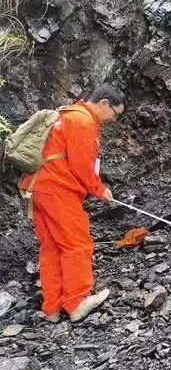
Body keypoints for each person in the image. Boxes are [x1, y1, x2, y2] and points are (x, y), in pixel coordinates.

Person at [19, 85, 126, 323]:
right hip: (57, 188)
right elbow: (82, 166)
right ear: (104, 103)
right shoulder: (83, 122)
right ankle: (77, 301)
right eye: (115, 114)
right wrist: (100, 189)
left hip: (37, 187)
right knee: (77, 243)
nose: (114, 119)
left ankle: (52, 308)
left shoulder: (68, 113)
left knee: (52, 247)